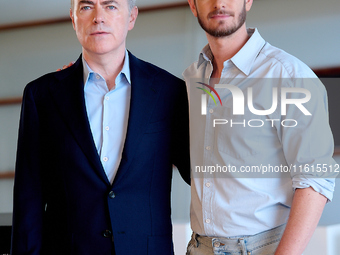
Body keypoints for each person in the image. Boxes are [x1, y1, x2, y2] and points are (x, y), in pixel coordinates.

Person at [11, 0, 190, 254]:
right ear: (73, 19)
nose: (98, 17)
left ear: (132, 17)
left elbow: (201, 176)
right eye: (86, 7)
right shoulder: (42, 96)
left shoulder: (170, 91)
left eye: (111, 6)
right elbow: (28, 201)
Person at [183, 0, 338, 254]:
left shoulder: (289, 76)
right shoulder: (191, 78)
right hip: (200, 246)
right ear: (192, 4)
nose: (219, 3)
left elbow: (315, 178)